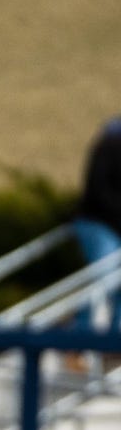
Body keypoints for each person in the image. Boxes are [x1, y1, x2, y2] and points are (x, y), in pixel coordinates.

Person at [74, 116, 121, 331]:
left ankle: (115, 337)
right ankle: (78, 338)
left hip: (112, 223)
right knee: (102, 279)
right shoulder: (110, 144)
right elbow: (99, 191)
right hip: (100, 223)